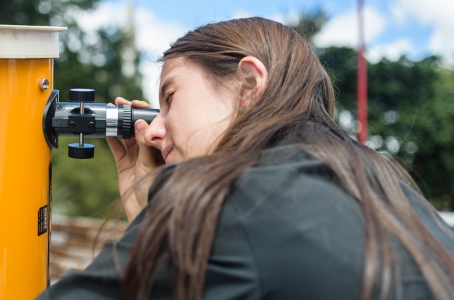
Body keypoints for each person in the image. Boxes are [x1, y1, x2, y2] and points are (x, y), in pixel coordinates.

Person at [37, 17, 454, 300]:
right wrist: (150, 213)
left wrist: (165, 216)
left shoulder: (226, 199)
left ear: (248, 85)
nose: (155, 130)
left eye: (170, 98)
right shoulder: (390, 189)